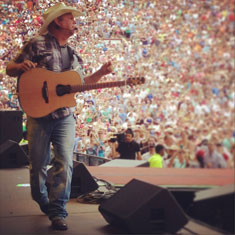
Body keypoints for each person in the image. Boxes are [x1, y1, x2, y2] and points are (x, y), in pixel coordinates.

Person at [6, 3, 113, 231]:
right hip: (39, 116)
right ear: (58, 22)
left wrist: (102, 74)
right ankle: (43, 200)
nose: (74, 21)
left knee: (65, 161)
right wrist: (20, 66)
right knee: (37, 167)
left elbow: (82, 85)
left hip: (65, 116)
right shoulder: (37, 43)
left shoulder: (74, 55)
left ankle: (58, 211)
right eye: (69, 18)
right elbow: (9, 68)